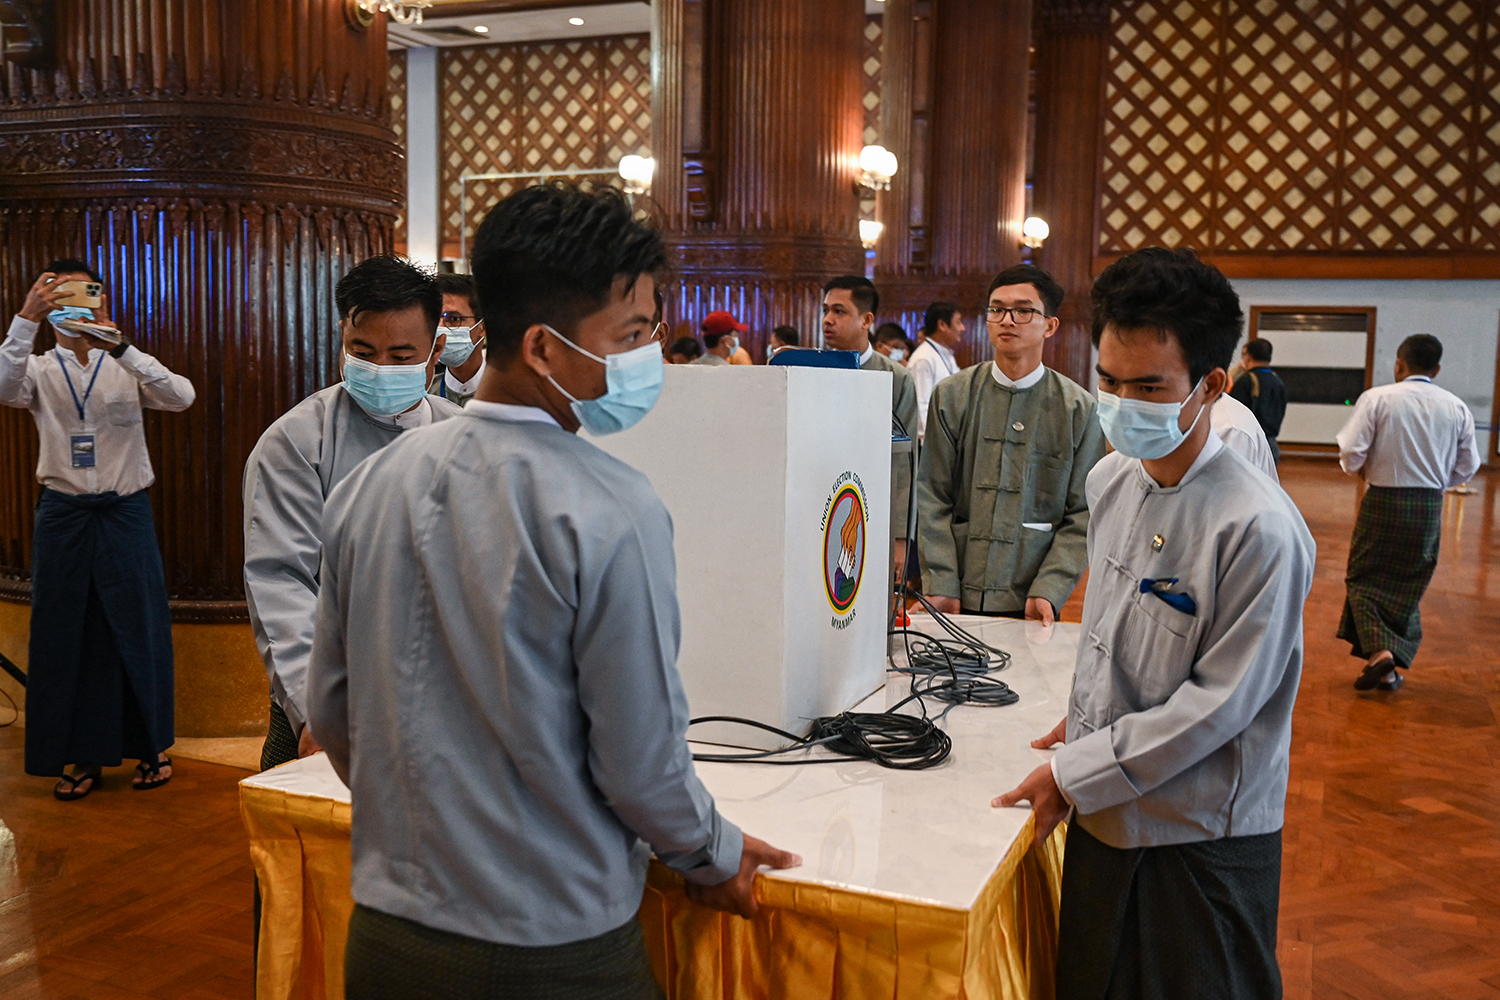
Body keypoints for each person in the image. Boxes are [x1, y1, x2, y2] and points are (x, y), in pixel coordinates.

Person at [305, 184, 798, 999]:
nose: (647, 358)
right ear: (541, 347)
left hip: (389, 933)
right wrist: (712, 851)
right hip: (551, 948)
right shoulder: (611, 506)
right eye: (631, 336)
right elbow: (641, 764)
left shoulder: (371, 485)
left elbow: (333, 711)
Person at [997, 247, 1315, 1000]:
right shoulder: (1111, 479)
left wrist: (1077, 770)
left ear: (1211, 386)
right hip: (1108, 813)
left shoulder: (1258, 527)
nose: (1122, 404)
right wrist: (1085, 720)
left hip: (1200, 839)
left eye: (1148, 387)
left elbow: (1218, 706)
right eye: (1108, 381)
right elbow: (1112, 632)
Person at [243, 255, 463, 773]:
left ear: (434, 352)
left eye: (400, 354)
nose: (381, 369)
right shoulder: (299, 442)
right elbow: (281, 581)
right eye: (363, 352)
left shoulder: (466, 437)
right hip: (333, 696)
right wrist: (313, 708)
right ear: (343, 336)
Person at [3, 261, 196, 799]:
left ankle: (152, 746)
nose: (73, 307)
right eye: (56, 297)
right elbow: (1, 386)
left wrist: (121, 345)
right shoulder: (38, 368)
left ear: (100, 300)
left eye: (83, 296)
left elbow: (182, 397)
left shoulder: (125, 365)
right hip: (63, 513)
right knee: (66, 632)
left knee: (139, 626)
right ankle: (78, 756)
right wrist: (24, 319)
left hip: (125, 511)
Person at [917, 265, 1105, 623]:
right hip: (956, 592)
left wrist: (1050, 588)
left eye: (1023, 310)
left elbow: (1084, 512)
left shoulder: (1078, 409)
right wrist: (940, 578)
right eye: (996, 309)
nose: (1007, 320)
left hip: (1032, 598)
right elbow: (932, 493)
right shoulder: (953, 396)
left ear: (1050, 325)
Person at [1335, 333, 1478, 693]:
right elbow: (1468, 467)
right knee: (1408, 583)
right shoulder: (1456, 406)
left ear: (1399, 364)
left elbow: (1352, 452)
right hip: (1429, 505)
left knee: (1364, 579)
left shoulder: (1378, 398)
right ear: (1438, 368)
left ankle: (1382, 652)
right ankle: (1385, 668)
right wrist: (1436, 483)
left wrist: (1364, 470)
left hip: (1383, 499)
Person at [822, 275, 919, 577]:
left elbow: (904, 462)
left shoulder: (895, 377)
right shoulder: (806, 368)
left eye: (839, 311)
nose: (828, 320)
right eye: (825, 310)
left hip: (873, 511)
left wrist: (901, 537)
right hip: (819, 503)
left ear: (866, 320)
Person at [429, 272, 487, 407]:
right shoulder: (424, 394)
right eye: (435, 319)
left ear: (482, 327)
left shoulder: (506, 395)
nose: (440, 328)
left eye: (454, 319)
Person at [908, 301, 964, 438]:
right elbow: (921, 404)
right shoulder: (923, 358)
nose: (963, 328)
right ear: (942, 325)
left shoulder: (946, 353)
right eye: (958, 322)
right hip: (931, 440)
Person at [1228, 338, 1287, 463]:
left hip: (1250, 444)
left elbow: (1232, 411)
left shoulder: (1246, 381)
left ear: (1248, 357)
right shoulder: (1278, 382)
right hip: (1271, 444)